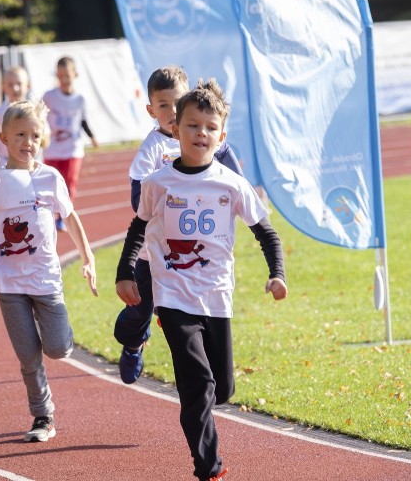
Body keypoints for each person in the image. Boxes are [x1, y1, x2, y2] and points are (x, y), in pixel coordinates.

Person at [115, 79, 287, 481]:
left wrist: (277, 274)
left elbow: (266, 232)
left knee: (221, 390)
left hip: (216, 296)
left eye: (210, 128)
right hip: (173, 296)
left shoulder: (231, 183)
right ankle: (209, 469)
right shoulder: (159, 183)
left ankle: (205, 420)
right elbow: (138, 228)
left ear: (221, 136)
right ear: (176, 129)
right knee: (198, 385)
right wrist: (126, 273)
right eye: (192, 126)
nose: (200, 134)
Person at [115, 66, 245, 385]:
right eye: (163, 106)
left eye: (177, 103)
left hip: (193, 252)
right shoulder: (152, 150)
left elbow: (233, 177)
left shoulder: (202, 136)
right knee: (139, 310)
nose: (172, 111)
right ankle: (133, 341)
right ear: (151, 110)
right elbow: (139, 200)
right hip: (154, 252)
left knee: (185, 311)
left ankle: (187, 347)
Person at [0, 99, 97, 443]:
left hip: (46, 279)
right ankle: (42, 416)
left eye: (34, 135)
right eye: (20, 134)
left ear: (42, 139)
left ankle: (58, 337)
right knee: (29, 358)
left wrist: (88, 256)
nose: (27, 142)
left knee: (59, 348)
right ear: (4, 137)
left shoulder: (50, 177)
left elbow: (70, 217)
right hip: (9, 283)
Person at [41, 56, 99, 230]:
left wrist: (92, 137)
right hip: (53, 150)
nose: (64, 79)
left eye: (68, 75)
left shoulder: (80, 99)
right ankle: (49, 215)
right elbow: (39, 117)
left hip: (73, 149)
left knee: (69, 184)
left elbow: (82, 121)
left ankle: (63, 218)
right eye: (60, 76)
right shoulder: (49, 96)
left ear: (75, 75)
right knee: (49, 184)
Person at [0, 66, 31, 163]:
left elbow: (45, 138)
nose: (15, 88)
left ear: (27, 86)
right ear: (4, 87)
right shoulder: (0, 111)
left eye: (19, 83)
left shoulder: (34, 111)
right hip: (5, 162)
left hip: (28, 161)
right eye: (10, 85)